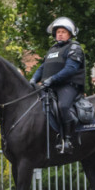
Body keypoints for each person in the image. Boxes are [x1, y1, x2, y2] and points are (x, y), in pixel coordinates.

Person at [29, 17, 85, 154]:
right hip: (50, 86)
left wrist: (52, 79)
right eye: (58, 32)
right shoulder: (52, 50)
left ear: (70, 34)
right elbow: (43, 67)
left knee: (63, 106)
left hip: (68, 86)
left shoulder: (74, 48)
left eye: (63, 32)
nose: (60, 34)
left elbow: (70, 69)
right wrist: (33, 79)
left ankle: (67, 140)